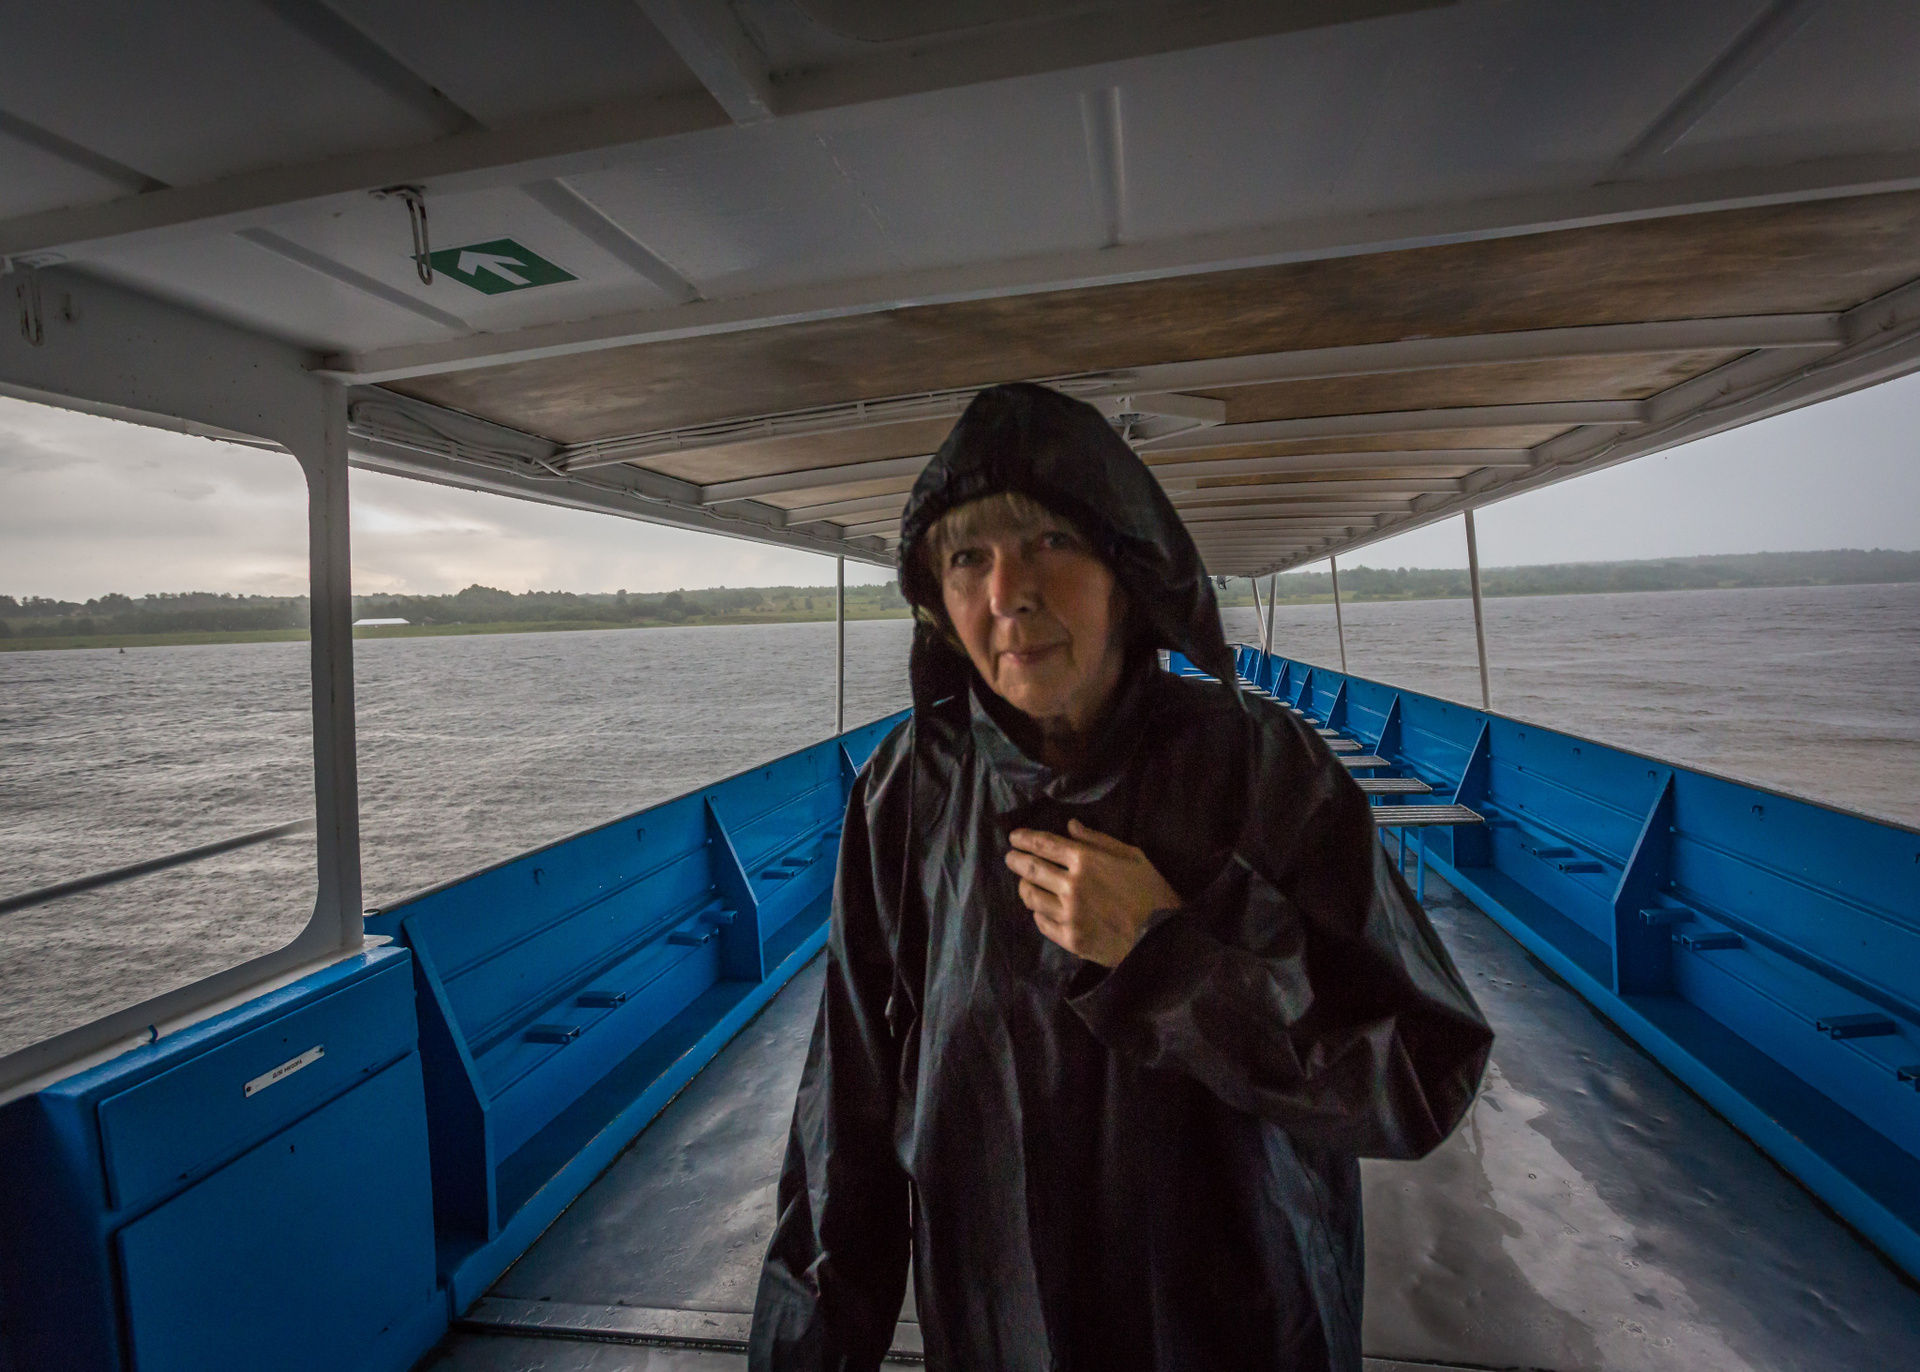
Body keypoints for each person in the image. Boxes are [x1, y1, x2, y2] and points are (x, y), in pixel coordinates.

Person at [749, 383, 1492, 1372]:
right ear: (938, 601)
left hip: (1246, 1336)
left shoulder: (1262, 770)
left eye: (1051, 540)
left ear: (1126, 569)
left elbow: (1420, 1072)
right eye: (968, 557)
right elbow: (844, 1125)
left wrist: (1171, 957)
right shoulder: (907, 794)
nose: (1010, 592)